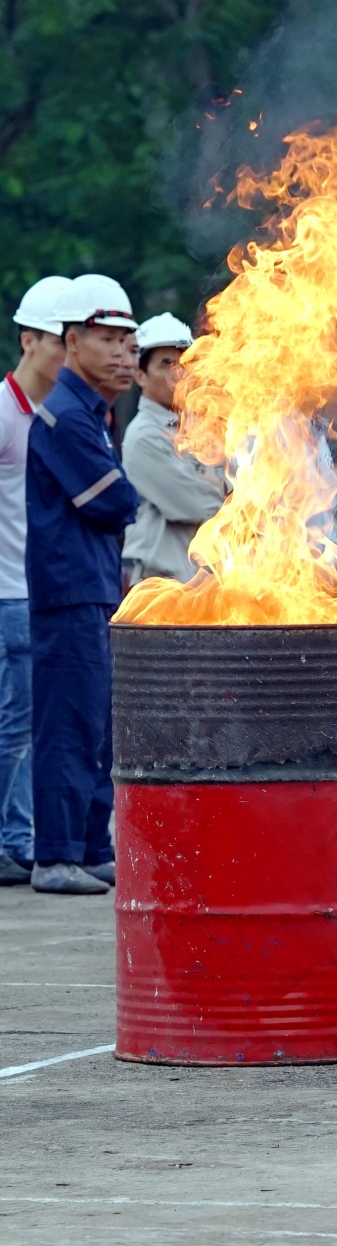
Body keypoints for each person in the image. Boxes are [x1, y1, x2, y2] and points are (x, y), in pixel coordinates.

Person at [27, 275, 141, 895]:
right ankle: (57, 856)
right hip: (68, 592)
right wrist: (128, 494)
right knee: (68, 727)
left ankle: (94, 845)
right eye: (109, 340)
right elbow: (114, 501)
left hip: (95, 587)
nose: (125, 354)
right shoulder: (65, 416)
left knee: (100, 725)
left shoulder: (92, 415)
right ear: (73, 342)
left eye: (129, 341)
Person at [0, 278, 70, 886]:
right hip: (10, 595)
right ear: (28, 340)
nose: (70, 354)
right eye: (60, 341)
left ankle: (22, 836)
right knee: (18, 727)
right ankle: (11, 840)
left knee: (40, 725)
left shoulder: (60, 416)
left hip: (45, 593)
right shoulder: (3, 412)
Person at [122, 314, 226, 584]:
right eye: (165, 363)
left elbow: (245, 492)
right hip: (162, 588)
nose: (177, 373)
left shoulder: (204, 427)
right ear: (140, 375)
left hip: (207, 586)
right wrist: (222, 487)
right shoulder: (143, 436)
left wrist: (217, 487)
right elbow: (196, 505)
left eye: (183, 363)